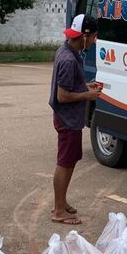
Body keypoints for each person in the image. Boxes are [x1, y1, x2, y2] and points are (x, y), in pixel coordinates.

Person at [49, 14, 102, 225]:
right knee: (65, 163)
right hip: (68, 119)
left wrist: (85, 86)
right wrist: (88, 95)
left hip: (68, 118)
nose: (94, 41)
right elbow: (63, 96)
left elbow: (70, 87)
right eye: (94, 37)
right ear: (85, 37)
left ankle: (61, 202)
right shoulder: (69, 60)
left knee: (69, 161)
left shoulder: (66, 50)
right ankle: (59, 210)